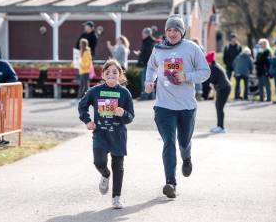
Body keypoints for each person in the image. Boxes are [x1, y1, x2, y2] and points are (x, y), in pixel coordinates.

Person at [145, 14, 210, 198]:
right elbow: (150, 67)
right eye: (169, 29)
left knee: (183, 142)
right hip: (164, 106)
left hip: (186, 106)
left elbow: (205, 72)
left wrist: (186, 76)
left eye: (175, 30)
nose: (172, 33)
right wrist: (149, 82)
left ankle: (186, 157)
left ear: (182, 32)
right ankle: (170, 183)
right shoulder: (158, 49)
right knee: (168, 143)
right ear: (165, 31)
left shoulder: (192, 48)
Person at [78, 59, 134, 209]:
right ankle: (105, 174)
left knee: (118, 166)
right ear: (103, 75)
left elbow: (130, 117)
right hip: (100, 133)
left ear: (120, 75)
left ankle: (117, 197)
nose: (111, 75)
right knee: (99, 162)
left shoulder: (124, 93)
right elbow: (82, 106)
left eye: (115, 72)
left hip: (118, 134)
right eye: (108, 72)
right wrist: (87, 121)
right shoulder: (95, 91)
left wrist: (123, 113)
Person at [205, 51, 231, 133]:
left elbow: (212, 79)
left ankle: (221, 127)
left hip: (224, 88)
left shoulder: (214, 67)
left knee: (219, 107)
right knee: (218, 106)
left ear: (209, 61)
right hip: (222, 88)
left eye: (206, 61)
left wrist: (204, 79)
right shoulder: (214, 66)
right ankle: (219, 126)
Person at [135, 27, 155, 100]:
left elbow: (148, 53)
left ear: (146, 34)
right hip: (151, 64)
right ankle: (151, 95)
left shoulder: (147, 42)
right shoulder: (151, 41)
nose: (142, 35)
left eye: (143, 33)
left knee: (144, 80)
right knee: (150, 80)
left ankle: (145, 95)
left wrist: (141, 56)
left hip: (148, 64)